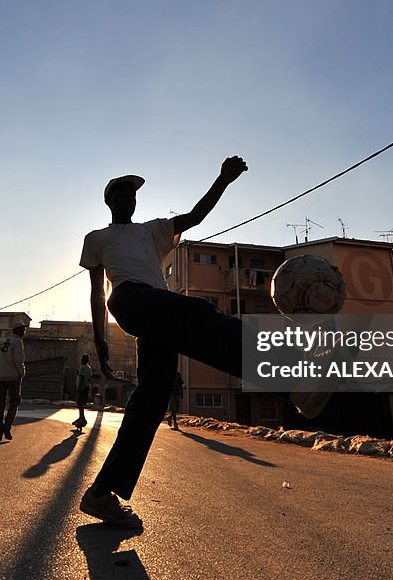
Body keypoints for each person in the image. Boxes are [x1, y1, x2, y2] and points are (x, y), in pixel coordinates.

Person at [77, 156, 319, 529]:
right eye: (123, 194)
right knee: (198, 311)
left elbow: (194, 216)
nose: (130, 200)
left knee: (151, 402)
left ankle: (101, 494)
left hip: (157, 313)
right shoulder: (97, 239)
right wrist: (100, 341)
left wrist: (223, 180)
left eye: (133, 195)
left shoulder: (151, 231)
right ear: (110, 202)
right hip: (130, 301)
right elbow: (96, 293)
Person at [0, 321, 26, 442]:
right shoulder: (18, 342)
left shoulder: (4, 341)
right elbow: (18, 361)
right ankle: (6, 427)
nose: (24, 332)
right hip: (12, 377)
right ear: (17, 331)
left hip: (0, 376)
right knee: (14, 402)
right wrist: (22, 373)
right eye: (23, 330)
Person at [73, 354, 93, 430]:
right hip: (86, 387)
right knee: (81, 403)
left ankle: (83, 418)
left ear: (82, 360)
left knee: (80, 404)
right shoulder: (89, 368)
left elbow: (81, 378)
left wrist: (78, 388)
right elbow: (90, 379)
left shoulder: (82, 368)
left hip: (82, 387)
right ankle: (81, 417)